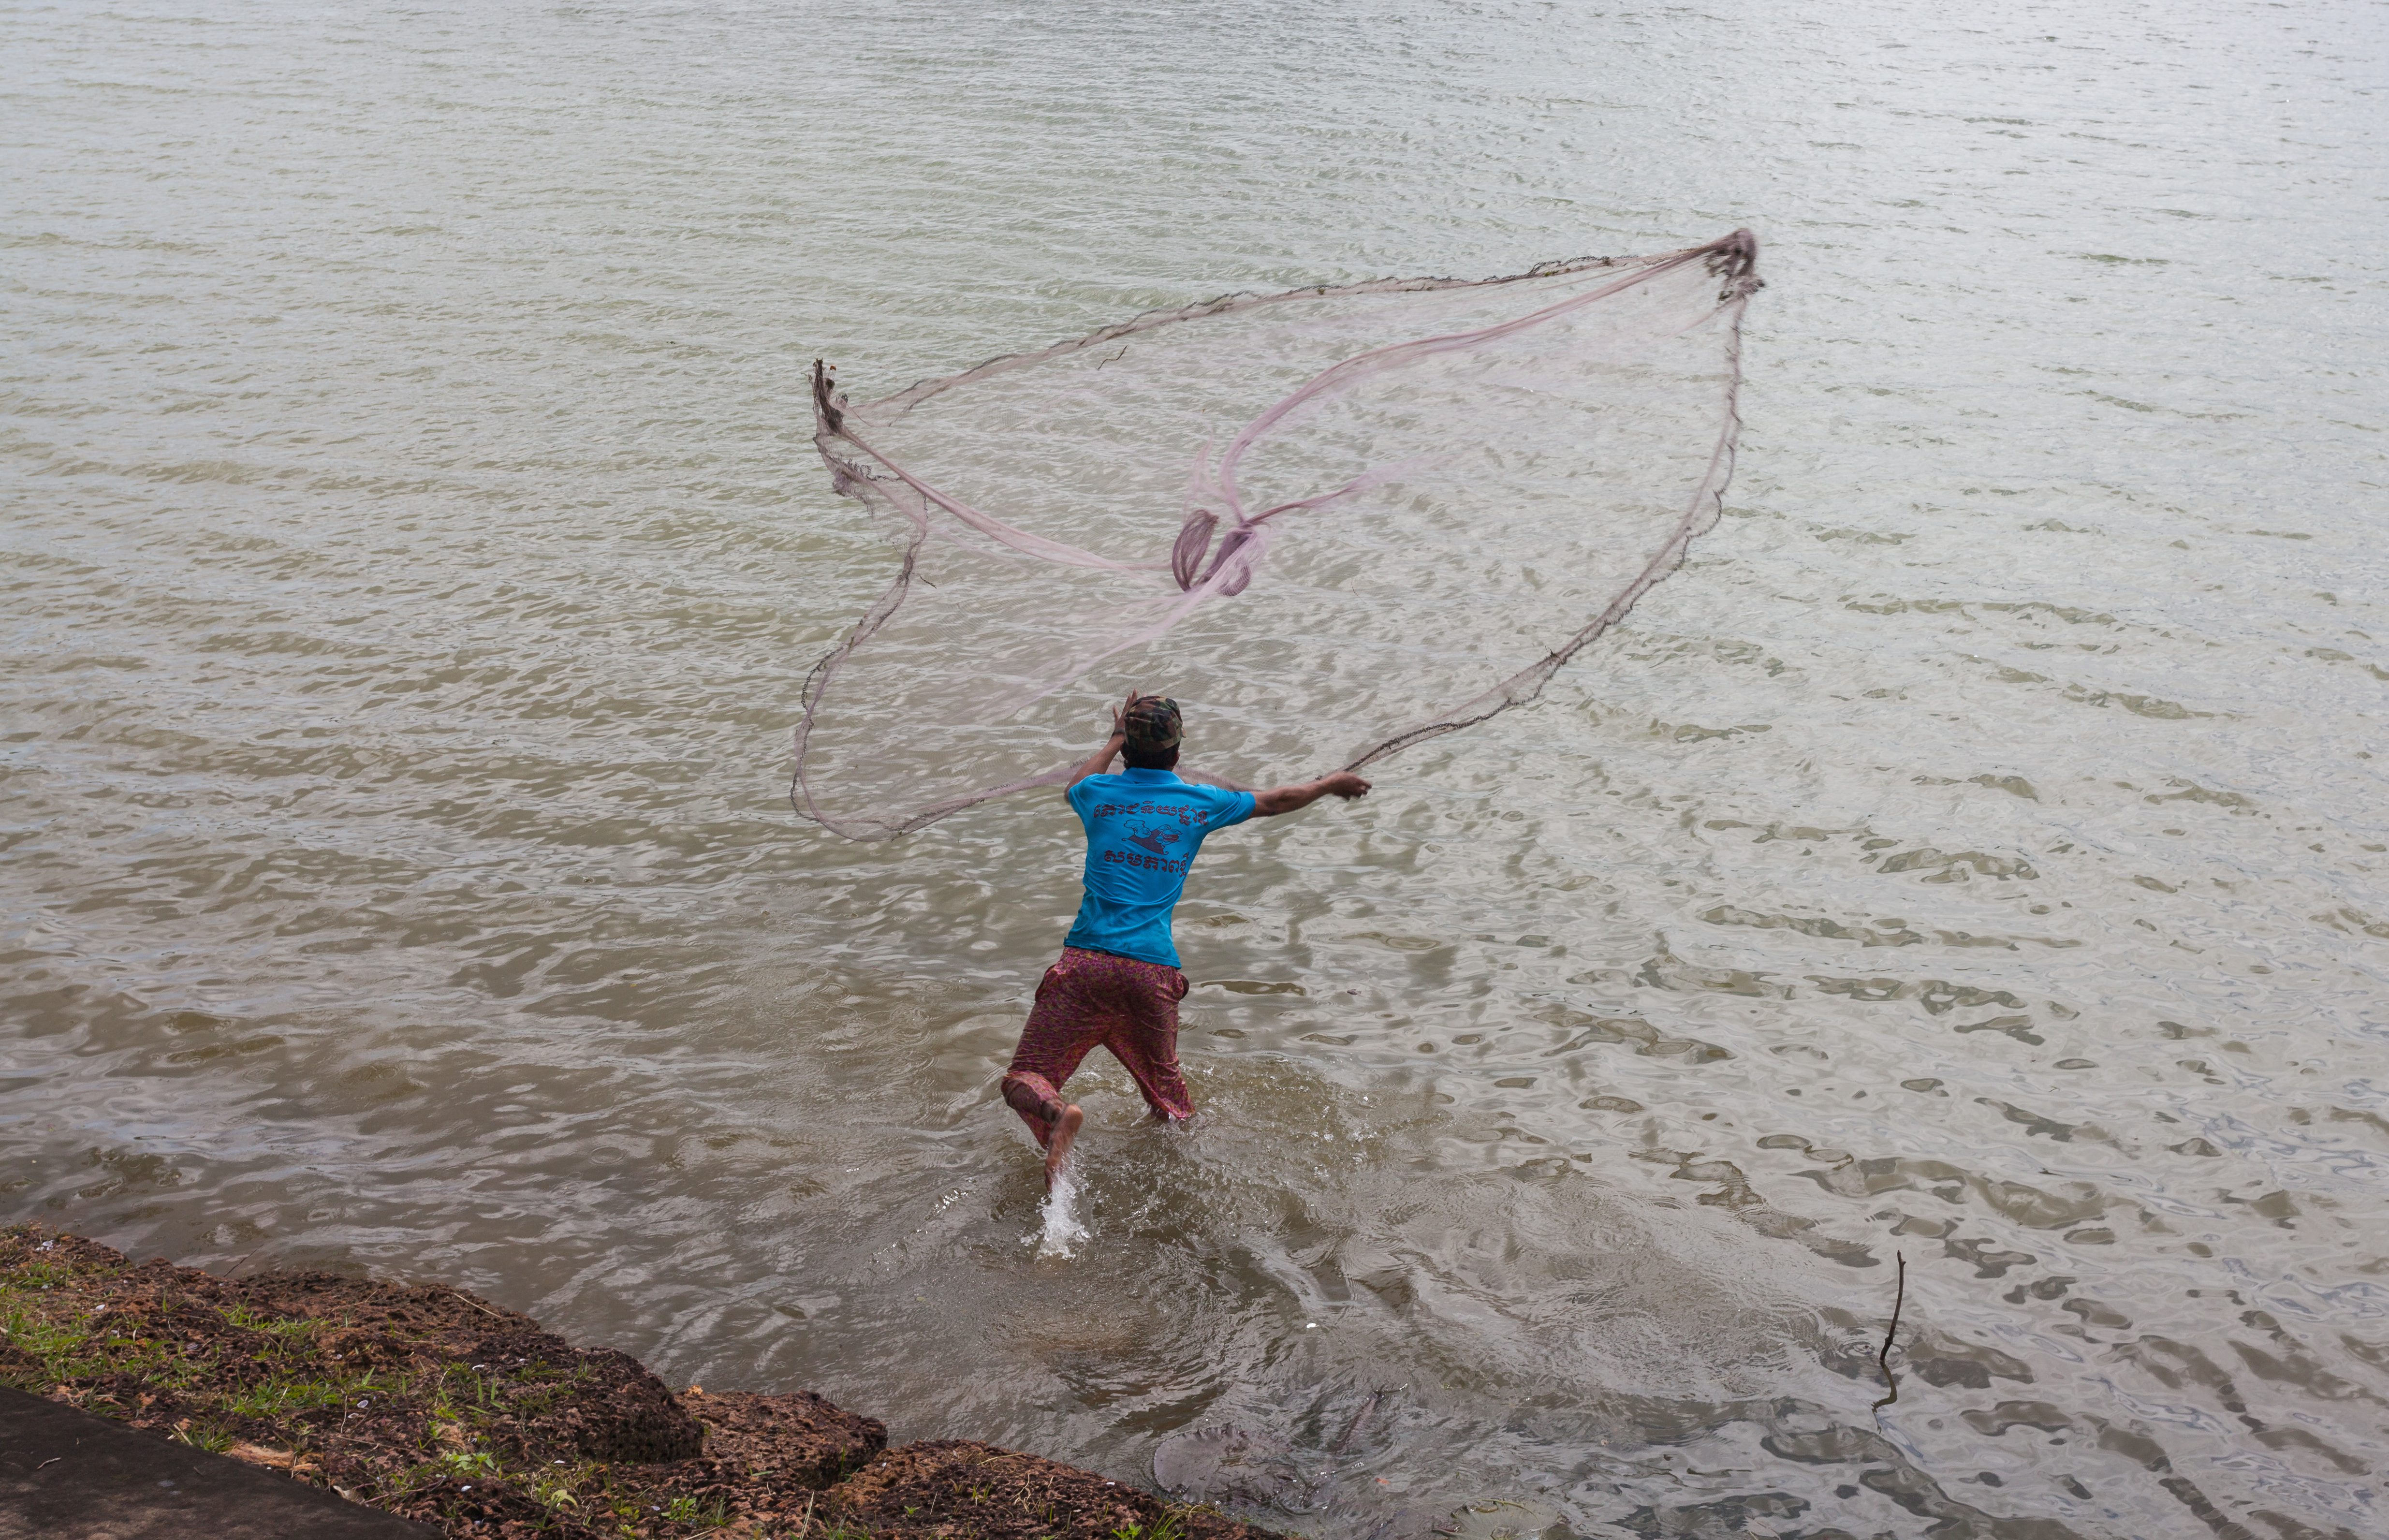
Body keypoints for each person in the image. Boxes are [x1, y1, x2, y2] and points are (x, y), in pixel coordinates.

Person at [1002, 692, 1372, 1187]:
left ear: (1127, 751)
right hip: (1152, 973)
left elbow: (1076, 783)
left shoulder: (1097, 794)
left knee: (1024, 1077)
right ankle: (1179, 1188)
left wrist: (1112, 738)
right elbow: (1278, 800)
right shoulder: (1199, 802)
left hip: (1085, 966)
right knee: (1170, 1105)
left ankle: (1054, 1115)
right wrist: (1331, 783)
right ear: (1177, 753)